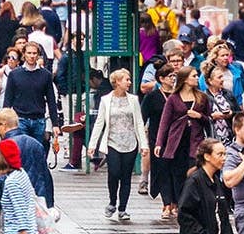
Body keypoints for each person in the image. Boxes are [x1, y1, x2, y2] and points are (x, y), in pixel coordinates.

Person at [87, 68, 149, 221]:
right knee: (114, 172)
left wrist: (144, 144)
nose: (129, 82)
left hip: (130, 142)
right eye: (126, 80)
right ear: (117, 82)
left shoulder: (133, 100)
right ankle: (112, 201)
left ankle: (123, 208)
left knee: (126, 176)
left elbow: (139, 122)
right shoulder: (106, 100)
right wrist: (92, 144)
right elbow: (100, 122)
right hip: (112, 142)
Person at [155, 66, 211, 220]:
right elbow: (164, 122)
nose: (196, 77)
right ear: (185, 79)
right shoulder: (173, 98)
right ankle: (180, 204)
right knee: (178, 174)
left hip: (196, 141)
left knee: (193, 172)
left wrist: (198, 115)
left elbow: (208, 119)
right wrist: (159, 143)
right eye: (193, 75)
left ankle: (192, 204)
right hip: (177, 141)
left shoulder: (202, 97)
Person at [2, 42, 61, 146]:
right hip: (20, 119)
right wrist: (4, 123)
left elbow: (51, 100)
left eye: (34, 53)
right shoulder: (14, 75)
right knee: (22, 151)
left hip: (39, 120)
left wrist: (55, 124)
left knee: (37, 151)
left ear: (38, 55)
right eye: (29, 53)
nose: (32, 56)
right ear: (24, 54)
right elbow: (8, 100)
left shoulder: (45, 75)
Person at [144, 65, 178, 208]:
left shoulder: (178, 95)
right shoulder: (152, 96)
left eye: (174, 76)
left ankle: (175, 202)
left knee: (175, 170)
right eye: (169, 76)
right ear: (161, 79)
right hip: (157, 137)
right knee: (162, 169)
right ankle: (166, 203)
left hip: (176, 138)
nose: (172, 79)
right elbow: (143, 116)